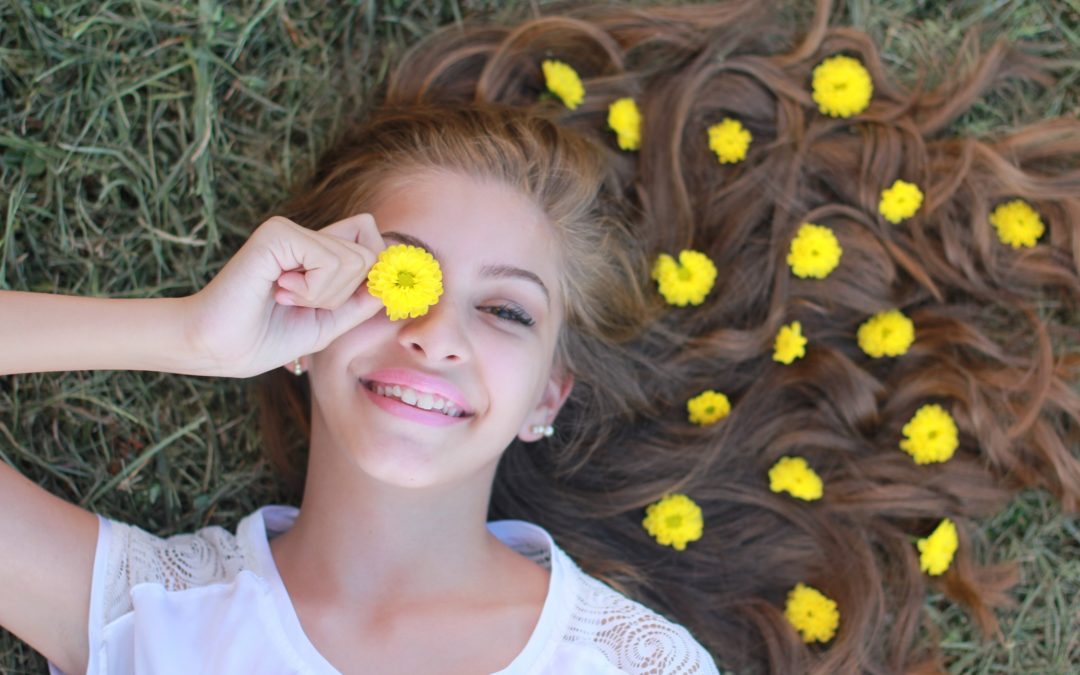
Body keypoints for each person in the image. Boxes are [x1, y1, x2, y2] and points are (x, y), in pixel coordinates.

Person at [2, 1, 1079, 673]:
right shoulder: (143, 607)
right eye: (396, 280)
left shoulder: (635, 665)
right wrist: (192, 334)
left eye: (507, 308)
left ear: (549, 398)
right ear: (301, 323)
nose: (434, 333)